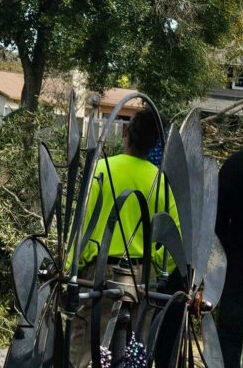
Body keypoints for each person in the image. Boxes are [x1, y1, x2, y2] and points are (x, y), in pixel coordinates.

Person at [71, 107, 180, 366]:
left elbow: (82, 227)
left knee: (86, 352)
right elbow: (174, 241)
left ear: (126, 132)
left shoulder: (101, 169)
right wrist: (154, 263)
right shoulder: (159, 181)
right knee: (135, 356)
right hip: (143, 280)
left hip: (99, 276)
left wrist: (74, 268)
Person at [214, 104, 243, 367]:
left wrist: (228, 252)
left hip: (234, 268)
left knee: (228, 342)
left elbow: (216, 224)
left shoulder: (234, 166)